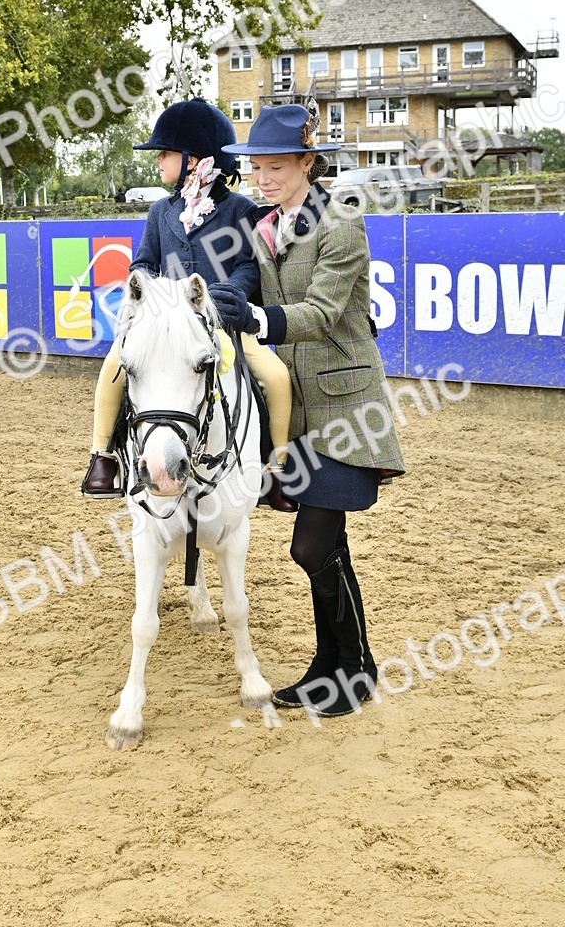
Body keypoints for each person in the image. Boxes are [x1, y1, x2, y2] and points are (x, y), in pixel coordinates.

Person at [215, 102, 405, 717]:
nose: (263, 179)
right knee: (326, 546)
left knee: (311, 544)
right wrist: (233, 294)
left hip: (346, 406)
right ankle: (342, 666)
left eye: (275, 167)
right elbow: (250, 277)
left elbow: (322, 316)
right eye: (256, 170)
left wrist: (259, 318)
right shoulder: (266, 225)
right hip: (298, 411)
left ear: (307, 162)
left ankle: (352, 667)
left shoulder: (341, 224)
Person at [81, 97, 297, 511]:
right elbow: (142, 262)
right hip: (165, 324)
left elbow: (250, 267)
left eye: (165, 153)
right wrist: (149, 286)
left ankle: (276, 471)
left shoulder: (241, 210)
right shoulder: (161, 211)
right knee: (113, 366)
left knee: (275, 375)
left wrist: (228, 294)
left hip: (223, 326)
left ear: (194, 157)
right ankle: (102, 458)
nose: (159, 162)